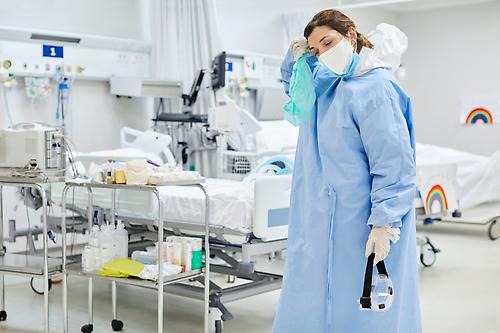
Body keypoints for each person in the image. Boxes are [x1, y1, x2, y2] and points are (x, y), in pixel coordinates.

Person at [272, 9, 421, 333]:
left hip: (359, 223)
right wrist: (296, 57)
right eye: (315, 49)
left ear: (350, 36)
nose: (322, 54)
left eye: (328, 42)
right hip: (317, 219)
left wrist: (384, 223)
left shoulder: (376, 87)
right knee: (311, 300)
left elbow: (393, 163)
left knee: (361, 308)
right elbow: (293, 86)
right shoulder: (326, 82)